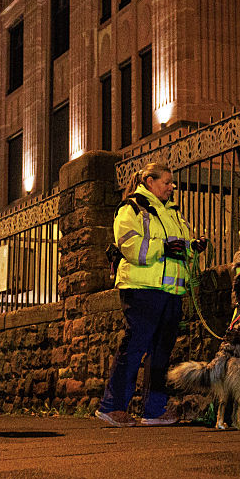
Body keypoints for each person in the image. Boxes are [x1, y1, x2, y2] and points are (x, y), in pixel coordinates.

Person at [96, 162, 205, 427]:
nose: (172, 187)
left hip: (170, 291)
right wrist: (165, 247)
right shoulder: (131, 208)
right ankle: (112, 407)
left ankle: (154, 410)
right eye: (166, 182)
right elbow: (132, 246)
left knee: (161, 352)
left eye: (172, 182)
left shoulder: (173, 213)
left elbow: (178, 247)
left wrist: (192, 246)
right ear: (148, 181)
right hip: (142, 289)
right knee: (135, 347)